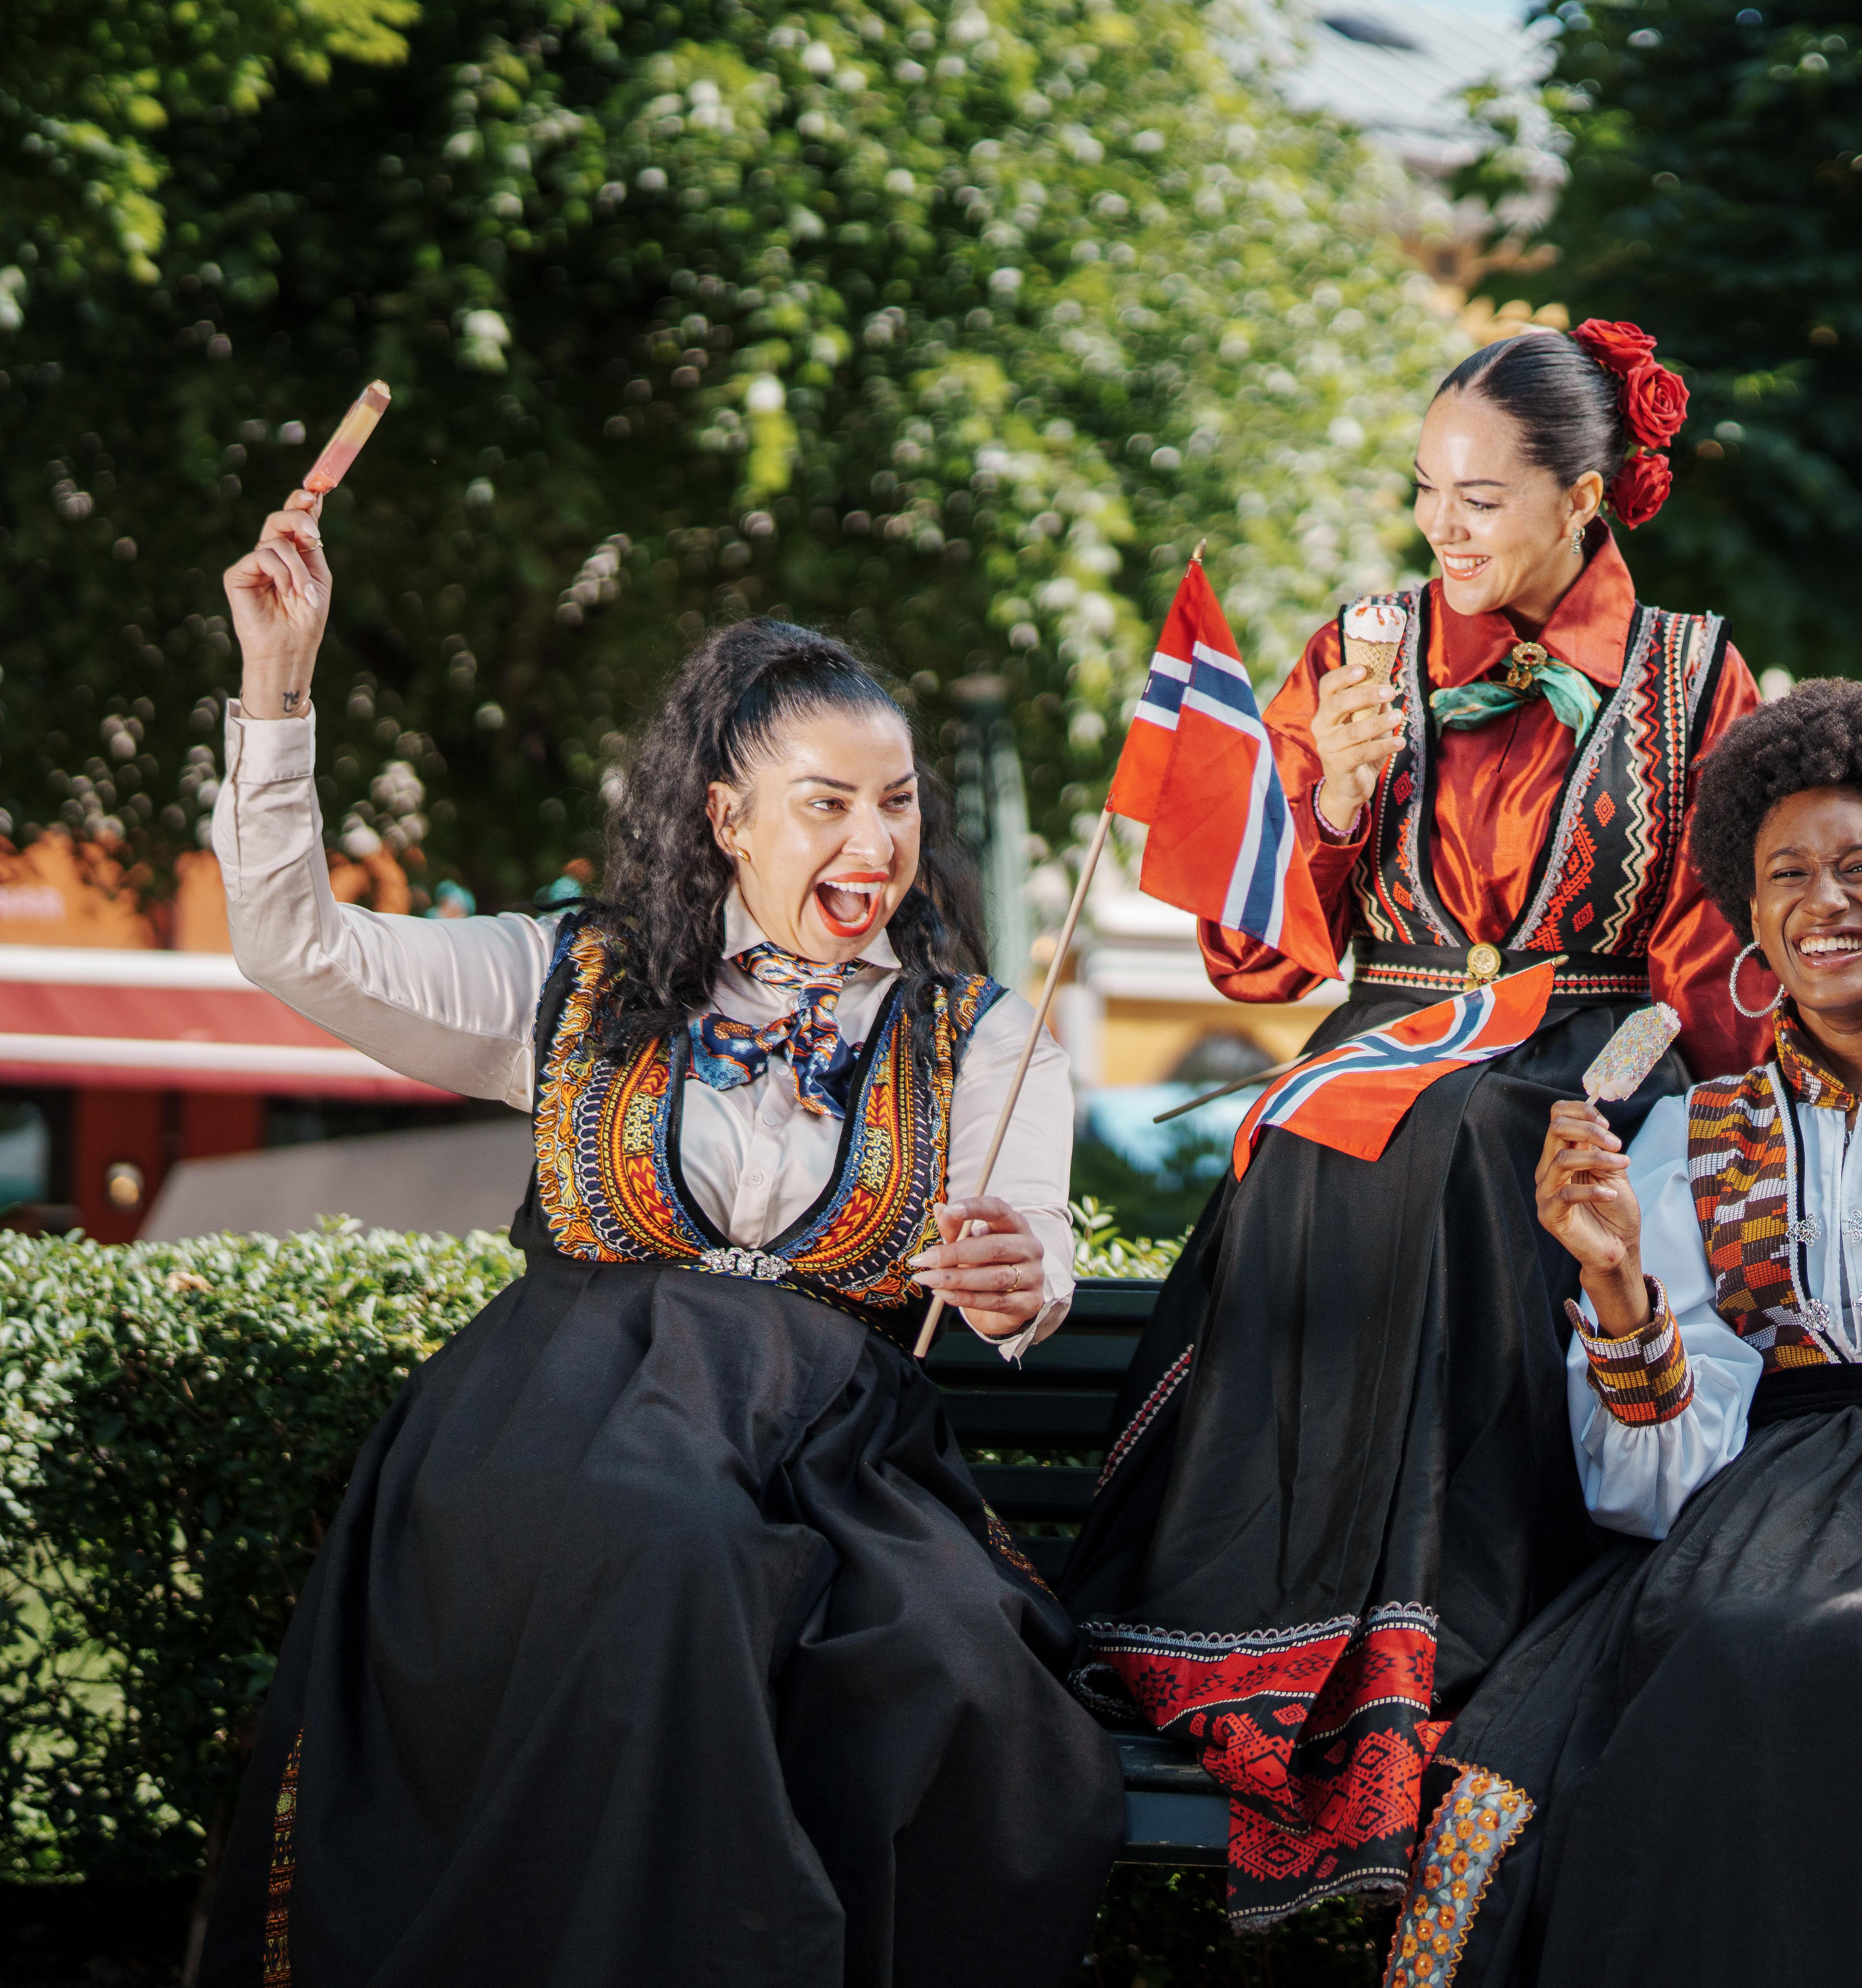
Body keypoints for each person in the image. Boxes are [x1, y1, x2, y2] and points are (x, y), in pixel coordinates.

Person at [192, 489, 1120, 1986]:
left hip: (835, 1473)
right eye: (827, 802)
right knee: (669, 1557)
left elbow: (1023, 1262)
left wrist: (1021, 1283)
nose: (873, 842)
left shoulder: (988, 1038)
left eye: (896, 803)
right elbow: (292, 943)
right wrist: (280, 690)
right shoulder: (565, 979)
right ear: (725, 814)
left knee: (957, 1673)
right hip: (563, 1433)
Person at [1055, 320, 1762, 1928]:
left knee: (1468, 1142)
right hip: (1389, 1018)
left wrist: (1644, 1060)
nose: (1444, 530)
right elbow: (1261, 946)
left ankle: (1453, 1631)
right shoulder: (1362, 651)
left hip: (1596, 1036)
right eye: (1426, 492)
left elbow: (1717, 957)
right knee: (1333, 1127)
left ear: (1586, 498)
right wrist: (1337, 803)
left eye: (1483, 498)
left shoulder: (1692, 673)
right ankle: (1275, 1631)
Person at [1377, 681, 1862, 1988]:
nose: (1825, 903)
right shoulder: (1690, 1130)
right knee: (1726, 1639)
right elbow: (1655, 1483)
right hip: (1743, 1504)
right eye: (1787, 874)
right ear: (1749, 910)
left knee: (1853, 1646)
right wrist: (1615, 1286)